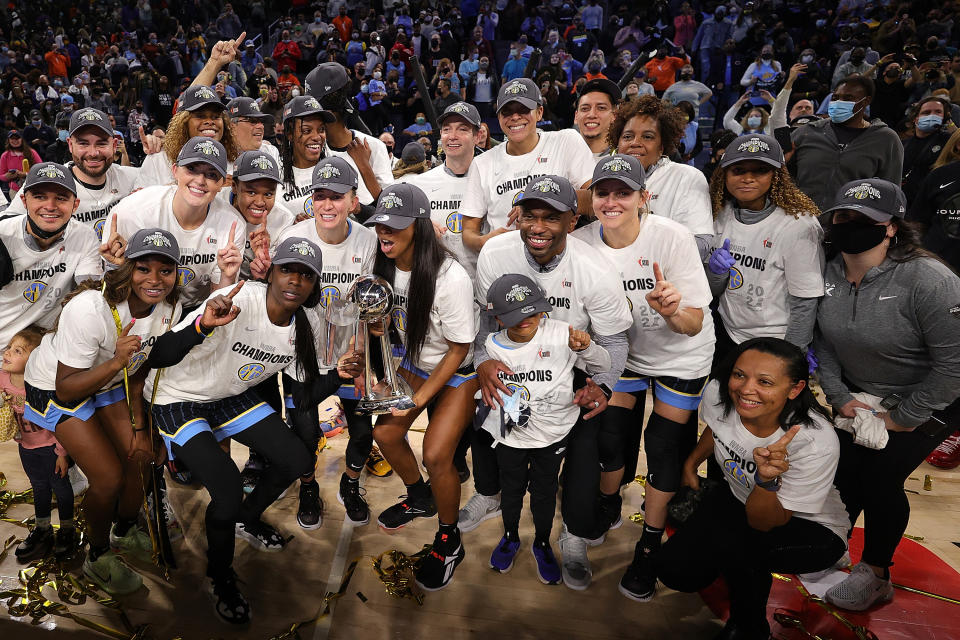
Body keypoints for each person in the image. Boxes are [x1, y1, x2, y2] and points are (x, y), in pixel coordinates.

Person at [147, 236, 359, 623]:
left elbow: (306, 395)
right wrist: (202, 325)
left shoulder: (303, 328)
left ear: (313, 285)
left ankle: (246, 517)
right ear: (272, 272)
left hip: (228, 395)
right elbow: (159, 355)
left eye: (306, 275)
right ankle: (220, 574)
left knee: (295, 457)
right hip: (178, 396)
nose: (295, 280)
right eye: (287, 269)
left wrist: (338, 376)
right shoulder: (239, 299)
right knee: (226, 486)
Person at [467, 174, 630, 591]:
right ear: (516, 216)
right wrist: (483, 361)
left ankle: (572, 533)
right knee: (484, 420)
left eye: (551, 218)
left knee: (585, 447)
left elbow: (613, 339)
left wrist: (604, 386)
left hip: (572, 361)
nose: (538, 227)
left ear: (572, 222)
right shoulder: (496, 252)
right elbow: (487, 321)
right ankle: (490, 498)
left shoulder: (595, 268)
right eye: (530, 216)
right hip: (512, 359)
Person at [571, 155, 715, 600]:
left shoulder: (671, 237)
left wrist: (673, 311)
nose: (612, 201)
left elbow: (693, 322)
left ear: (643, 198)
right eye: (603, 192)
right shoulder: (579, 242)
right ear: (592, 198)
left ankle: (649, 544)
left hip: (680, 355)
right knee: (611, 438)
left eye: (623, 192)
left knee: (663, 448)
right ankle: (609, 503)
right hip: (623, 354)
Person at [813, 179, 960, 611]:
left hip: (933, 397)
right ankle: (832, 545)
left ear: (892, 227)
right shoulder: (828, 271)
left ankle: (876, 573)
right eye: (844, 217)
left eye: (867, 221)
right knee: (842, 469)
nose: (852, 226)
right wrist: (840, 398)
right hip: (859, 394)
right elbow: (822, 344)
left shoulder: (930, 280)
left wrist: (903, 417)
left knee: (879, 477)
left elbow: (954, 365)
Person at [24, 228, 184, 595]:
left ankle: (123, 531)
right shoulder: (90, 309)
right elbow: (67, 387)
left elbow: (141, 365)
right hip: (57, 386)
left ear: (177, 273)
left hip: (114, 380)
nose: (155, 280)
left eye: (166, 270)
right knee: (109, 478)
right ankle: (97, 556)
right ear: (127, 269)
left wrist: (141, 426)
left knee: (140, 457)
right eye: (144, 268)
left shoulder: (171, 306)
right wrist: (115, 363)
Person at [658, 338, 848, 638]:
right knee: (674, 570)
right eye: (739, 375)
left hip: (808, 526)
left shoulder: (814, 442)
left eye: (765, 382)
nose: (746, 389)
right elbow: (718, 428)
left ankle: (749, 628)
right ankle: (729, 564)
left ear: (795, 389)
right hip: (738, 498)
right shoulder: (719, 393)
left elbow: (765, 521)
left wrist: (766, 481)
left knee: (742, 550)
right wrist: (691, 462)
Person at [363, 183, 479, 592]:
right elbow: (388, 325)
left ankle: (449, 539)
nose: (384, 233)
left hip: (459, 370)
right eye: (381, 225)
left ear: (419, 226)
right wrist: (379, 345)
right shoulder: (385, 264)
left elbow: (460, 346)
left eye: (395, 226)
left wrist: (420, 396)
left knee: (435, 453)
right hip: (415, 362)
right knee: (386, 433)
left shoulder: (450, 277)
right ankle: (420, 496)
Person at [255, 156, 379, 527]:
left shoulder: (368, 240)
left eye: (336, 197)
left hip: (350, 355)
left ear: (353, 202)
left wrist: (364, 361)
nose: (327, 205)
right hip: (303, 359)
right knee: (305, 432)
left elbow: (369, 304)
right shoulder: (292, 239)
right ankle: (308, 485)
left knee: (362, 431)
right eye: (320, 196)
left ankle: (351, 483)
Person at [480, 280, 611, 584]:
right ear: (498, 317)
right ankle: (510, 536)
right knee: (511, 489)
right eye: (514, 314)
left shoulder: (562, 332)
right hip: (511, 435)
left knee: (544, 490)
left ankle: (542, 541)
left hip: (554, 434)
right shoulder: (492, 345)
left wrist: (588, 347)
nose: (526, 319)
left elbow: (603, 365)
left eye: (533, 311)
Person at [706, 135, 823, 363]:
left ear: (776, 175)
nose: (748, 178)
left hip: (776, 338)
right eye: (738, 170)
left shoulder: (799, 225)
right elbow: (713, 291)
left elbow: (805, 302)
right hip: (728, 332)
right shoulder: (719, 215)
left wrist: (792, 355)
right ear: (724, 175)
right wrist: (716, 273)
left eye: (760, 170)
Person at [106, 138, 245, 311]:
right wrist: (117, 266)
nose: (200, 180)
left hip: (198, 309)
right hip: (142, 307)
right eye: (192, 169)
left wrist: (227, 276)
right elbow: (112, 292)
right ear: (175, 171)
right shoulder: (133, 211)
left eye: (211, 174)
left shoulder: (232, 224)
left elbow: (217, 302)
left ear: (221, 184)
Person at [460, 79, 594, 253]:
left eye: (523, 109)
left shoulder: (566, 141)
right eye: (507, 112)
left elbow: (596, 200)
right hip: (505, 258)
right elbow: (469, 232)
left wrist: (539, 200)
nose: (515, 117)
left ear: (539, 112)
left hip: (558, 258)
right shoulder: (482, 163)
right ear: (499, 117)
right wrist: (484, 242)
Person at [0, 163, 102, 349]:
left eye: (61, 198)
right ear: (24, 201)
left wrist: (115, 269)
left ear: (75, 205)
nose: (50, 206)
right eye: (40, 197)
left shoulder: (84, 236)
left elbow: (89, 293)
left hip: (48, 347)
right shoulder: (3, 235)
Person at [4, 108, 137, 241]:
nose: (93, 153)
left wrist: (157, 151)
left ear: (114, 146)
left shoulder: (130, 177)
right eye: (83, 143)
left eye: (101, 143)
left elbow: (155, 178)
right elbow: (6, 224)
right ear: (70, 145)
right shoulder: (47, 182)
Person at [607, 96, 714, 259]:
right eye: (627, 136)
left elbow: (700, 244)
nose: (635, 143)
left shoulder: (686, 177)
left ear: (662, 146)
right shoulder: (605, 181)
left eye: (647, 136)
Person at [5, 326, 76, 563]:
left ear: (34, 359)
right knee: (38, 487)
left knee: (63, 489)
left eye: (17, 351)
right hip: (26, 448)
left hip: (52, 449)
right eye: (8, 348)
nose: (7, 353)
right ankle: (43, 529)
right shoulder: (3, 378)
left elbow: (60, 421)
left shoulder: (39, 383)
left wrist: (62, 453)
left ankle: (67, 530)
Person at [791, 76, 903, 211]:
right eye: (835, 97)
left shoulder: (886, 139)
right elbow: (784, 177)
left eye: (848, 98)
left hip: (849, 224)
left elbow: (890, 191)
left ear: (866, 101)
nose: (839, 102)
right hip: (799, 219)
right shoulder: (806, 133)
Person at [398, 102, 483, 278]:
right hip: (436, 285)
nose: (452, 136)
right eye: (446, 129)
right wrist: (419, 227)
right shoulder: (418, 185)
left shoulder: (490, 180)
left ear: (477, 136)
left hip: (484, 285)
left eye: (462, 129)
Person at [304, 62, 394, 205]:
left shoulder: (373, 146)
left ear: (328, 112)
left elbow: (389, 206)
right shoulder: (311, 151)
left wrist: (364, 166)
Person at [135, 86, 241, 191]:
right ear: (183, 123)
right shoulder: (158, 159)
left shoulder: (234, 163)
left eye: (215, 117)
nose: (210, 121)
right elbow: (139, 202)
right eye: (200, 116)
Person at [275, 95, 338, 218]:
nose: (316, 137)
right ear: (290, 134)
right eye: (306, 131)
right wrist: (291, 226)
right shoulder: (276, 175)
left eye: (321, 129)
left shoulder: (338, 168)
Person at [908, 128, 960, 271]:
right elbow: (917, 222)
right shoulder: (940, 175)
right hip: (938, 264)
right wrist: (916, 256)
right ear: (958, 144)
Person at [901, 96, 953, 203]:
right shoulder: (903, 144)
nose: (932, 115)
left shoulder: (948, 141)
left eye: (938, 112)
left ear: (944, 118)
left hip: (930, 201)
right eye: (926, 112)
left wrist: (952, 128)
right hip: (903, 199)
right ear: (916, 119)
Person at [574, 78, 621, 159]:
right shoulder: (559, 157)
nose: (591, 115)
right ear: (576, 117)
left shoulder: (626, 162)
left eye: (601, 108)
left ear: (614, 116)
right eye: (585, 109)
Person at [227, 97, 279, 161]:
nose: (261, 126)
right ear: (232, 127)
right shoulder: (218, 157)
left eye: (261, 121)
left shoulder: (270, 152)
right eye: (252, 121)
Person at [1, 131, 42, 196]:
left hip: (32, 189)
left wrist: (25, 174)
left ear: (22, 139)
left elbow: (41, 170)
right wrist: (7, 176)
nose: (15, 140)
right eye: (12, 139)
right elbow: (1, 176)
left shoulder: (31, 152)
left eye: (17, 138)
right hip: (15, 191)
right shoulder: (5, 155)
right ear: (8, 140)